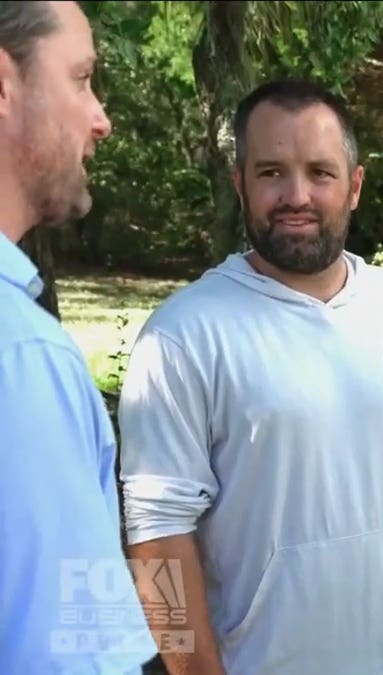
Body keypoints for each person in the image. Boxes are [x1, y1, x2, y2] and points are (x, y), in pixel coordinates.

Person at [117, 79, 383, 675]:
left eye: (320, 172)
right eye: (272, 172)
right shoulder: (182, 337)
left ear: (355, 186)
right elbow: (157, 539)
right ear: (240, 182)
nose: (296, 195)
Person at [0, 2, 160, 673]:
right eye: (81, 78)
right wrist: (189, 656)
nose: (101, 119)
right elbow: (77, 651)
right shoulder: (24, 358)